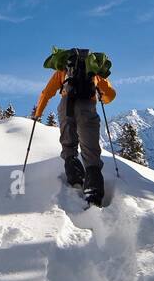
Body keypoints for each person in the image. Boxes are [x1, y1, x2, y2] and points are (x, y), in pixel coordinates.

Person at [33, 48, 116, 205]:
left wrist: (38, 113)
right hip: (87, 108)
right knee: (90, 150)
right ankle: (93, 193)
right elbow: (110, 94)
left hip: (66, 107)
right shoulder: (95, 71)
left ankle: (75, 178)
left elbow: (46, 93)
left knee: (68, 145)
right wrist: (103, 97)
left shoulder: (63, 70)